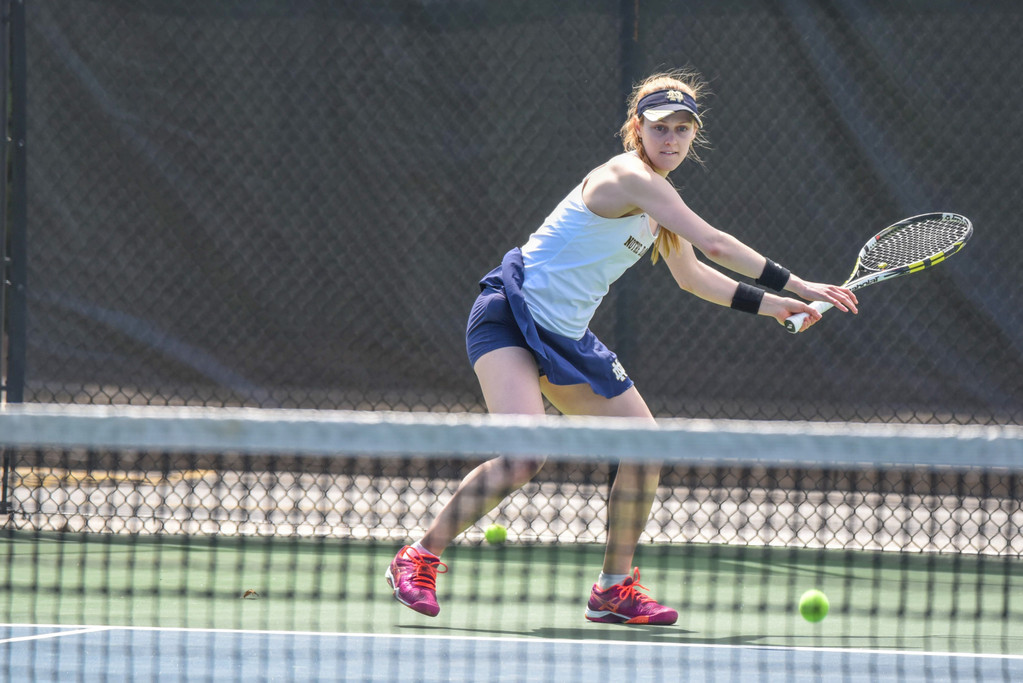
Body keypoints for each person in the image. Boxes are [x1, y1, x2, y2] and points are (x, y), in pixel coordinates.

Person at [386, 70, 858, 624]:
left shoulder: (659, 203)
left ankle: (614, 588)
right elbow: (714, 242)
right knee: (523, 457)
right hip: (509, 318)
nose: (672, 140)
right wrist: (797, 285)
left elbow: (694, 275)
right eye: (661, 127)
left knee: (643, 447)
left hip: (566, 336)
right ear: (638, 127)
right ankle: (417, 557)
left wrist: (770, 305)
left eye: (683, 130)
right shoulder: (629, 176)